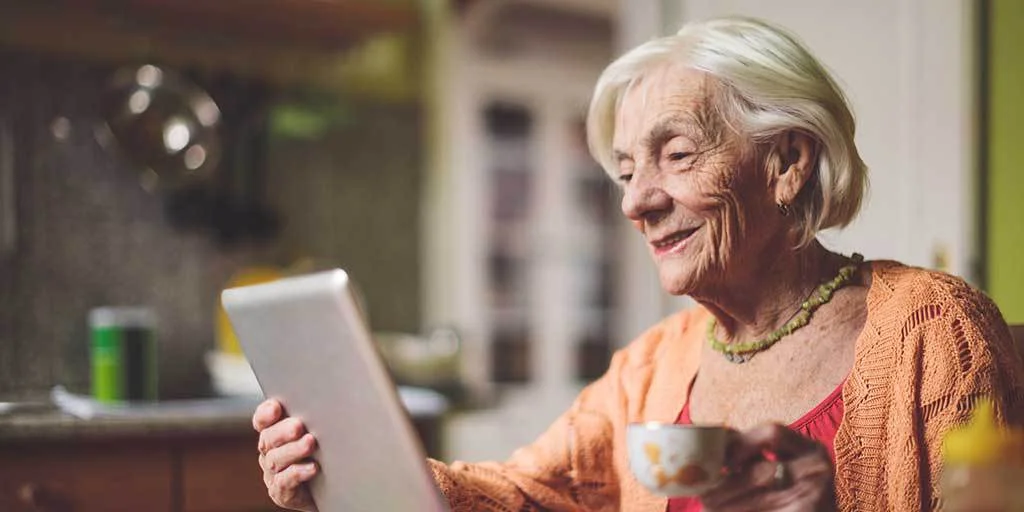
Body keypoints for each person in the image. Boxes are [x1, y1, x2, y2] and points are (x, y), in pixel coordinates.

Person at [251, 16, 1024, 511]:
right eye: (626, 172)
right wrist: (344, 470)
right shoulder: (653, 368)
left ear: (787, 162)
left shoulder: (933, 333)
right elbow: (524, 495)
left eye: (676, 155)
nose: (636, 203)